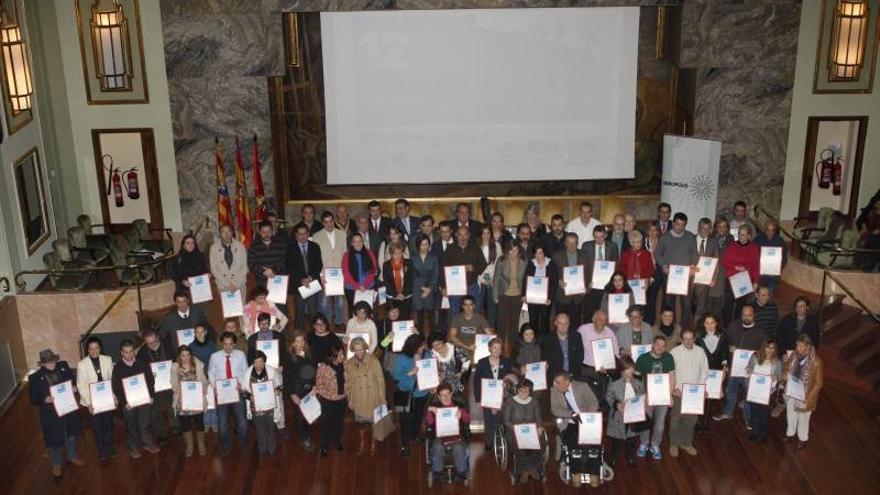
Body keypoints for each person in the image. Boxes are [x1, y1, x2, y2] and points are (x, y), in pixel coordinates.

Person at [31, 349, 86, 477]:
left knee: (71, 433)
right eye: (48, 362)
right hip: (50, 413)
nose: (52, 364)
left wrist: (74, 387)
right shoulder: (35, 378)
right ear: (42, 364)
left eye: (53, 361)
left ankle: (72, 456)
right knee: (54, 438)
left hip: (67, 407)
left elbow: (72, 380)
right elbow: (33, 398)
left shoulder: (63, 367)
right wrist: (45, 399)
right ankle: (56, 463)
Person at [714, 304, 767, 423]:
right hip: (734, 367)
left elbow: (765, 350)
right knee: (730, 390)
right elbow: (724, 343)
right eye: (744, 315)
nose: (746, 317)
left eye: (749, 315)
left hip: (750, 369)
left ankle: (748, 418)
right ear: (741, 315)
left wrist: (756, 354)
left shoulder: (760, 331)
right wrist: (729, 347)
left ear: (754, 316)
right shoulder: (733, 326)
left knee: (749, 393)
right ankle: (728, 412)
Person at [112, 340, 160, 459]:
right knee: (131, 425)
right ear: (121, 353)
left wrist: (151, 396)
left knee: (145, 423)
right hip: (128, 403)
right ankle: (133, 447)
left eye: (131, 352)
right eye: (126, 352)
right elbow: (116, 387)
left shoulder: (142, 364)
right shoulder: (118, 368)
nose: (129, 355)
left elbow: (150, 381)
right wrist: (124, 403)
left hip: (144, 400)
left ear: (134, 351)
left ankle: (148, 443)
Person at [207, 331, 249, 458]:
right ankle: (225, 447)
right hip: (222, 395)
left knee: (242, 423)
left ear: (234, 344)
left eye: (230, 344)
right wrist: (216, 386)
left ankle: (243, 444)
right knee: (222, 424)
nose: (228, 347)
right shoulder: (214, 356)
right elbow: (211, 373)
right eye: (225, 344)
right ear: (221, 344)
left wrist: (241, 385)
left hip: (237, 393)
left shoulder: (241, 355)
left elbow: (245, 372)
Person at [654, 212, 698, 328]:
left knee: (687, 305)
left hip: (686, 277)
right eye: (678, 224)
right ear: (673, 223)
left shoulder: (690, 236)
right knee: (669, 304)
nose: (680, 227)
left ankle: (684, 331)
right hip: (669, 277)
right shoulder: (665, 237)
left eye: (683, 225)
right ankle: (670, 330)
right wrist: (663, 266)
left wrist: (693, 265)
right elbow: (657, 254)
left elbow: (694, 253)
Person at [668, 329, 708, 457]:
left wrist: (700, 387)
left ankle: (686, 443)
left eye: (691, 338)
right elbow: (670, 373)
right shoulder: (674, 353)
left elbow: (705, 370)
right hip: (678, 393)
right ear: (681, 339)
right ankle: (674, 443)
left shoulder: (700, 351)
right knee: (675, 420)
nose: (689, 341)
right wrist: (673, 388)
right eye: (686, 339)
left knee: (690, 421)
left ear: (694, 339)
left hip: (694, 393)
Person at [345, 337, 387, 456]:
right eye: (356, 350)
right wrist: (350, 399)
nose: (359, 352)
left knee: (374, 423)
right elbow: (348, 383)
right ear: (353, 350)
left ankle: (373, 444)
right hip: (358, 398)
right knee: (360, 424)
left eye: (361, 349)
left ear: (365, 348)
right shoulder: (349, 363)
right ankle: (363, 443)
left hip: (372, 396)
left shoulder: (374, 361)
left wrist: (382, 398)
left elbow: (380, 381)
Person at [635, 335, 675, 460]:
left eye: (663, 346)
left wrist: (670, 395)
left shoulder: (669, 358)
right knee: (646, 421)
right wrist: (643, 397)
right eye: (658, 345)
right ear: (653, 344)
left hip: (663, 396)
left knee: (660, 424)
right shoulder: (643, 359)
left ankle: (655, 445)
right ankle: (644, 443)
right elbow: (637, 379)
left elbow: (672, 377)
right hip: (648, 396)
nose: (660, 348)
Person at [473, 338, 517, 450]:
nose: (497, 350)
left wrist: (507, 383)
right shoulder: (482, 362)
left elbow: (513, 377)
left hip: (504, 397)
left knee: (505, 419)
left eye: (499, 348)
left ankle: (505, 443)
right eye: (494, 348)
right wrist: (478, 399)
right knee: (490, 421)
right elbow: (476, 381)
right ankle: (489, 443)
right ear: (489, 349)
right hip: (488, 397)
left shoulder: (506, 362)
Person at [76, 337, 116, 462]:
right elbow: (81, 385)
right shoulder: (82, 364)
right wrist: (89, 403)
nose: (94, 351)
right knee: (97, 426)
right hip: (91, 401)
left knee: (108, 424)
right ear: (87, 350)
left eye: (97, 348)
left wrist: (114, 397)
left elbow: (112, 380)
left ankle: (110, 447)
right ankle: (101, 449)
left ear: (100, 348)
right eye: (91, 348)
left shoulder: (107, 359)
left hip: (106, 398)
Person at [136, 329, 177, 443]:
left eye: (154, 342)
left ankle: (176, 426)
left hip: (169, 382)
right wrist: (149, 373)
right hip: (153, 386)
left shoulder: (168, 347)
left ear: (157, 338)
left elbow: (175, 363)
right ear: (145, 342)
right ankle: (160, 433)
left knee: (172, 404)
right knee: (155, 410)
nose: (153, 345)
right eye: (149, 343)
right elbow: (140, 371)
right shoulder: (142, 353)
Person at [392, 334, 430, 457]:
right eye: (420, 346)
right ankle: (405, 444)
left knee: (418, 417)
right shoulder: (402, 358)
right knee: (405, 420)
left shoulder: (426, 354)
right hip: (406, 393)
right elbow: (396, 375)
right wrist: (410, 373)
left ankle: (415, 435)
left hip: (422, 392)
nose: (423, 347)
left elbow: (432, 369)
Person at [782, 334, 823, 449]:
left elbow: (818, 384)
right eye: (797, 346)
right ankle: (790, 434)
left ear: (808, 346)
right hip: (792, 391)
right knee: (791, 414)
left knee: (803, 419)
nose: (798, 348)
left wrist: (808, 398)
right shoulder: (794, 354)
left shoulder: (817, 362)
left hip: (805, 395)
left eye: (801, 346)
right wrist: (785, 373)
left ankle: (802, 439)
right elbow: (786, 366)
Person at [425, 383, 470, 482]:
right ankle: (438, 473)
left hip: (457, 437)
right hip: (440, 437)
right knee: (437, 447)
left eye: (447, 394)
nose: (445, 397)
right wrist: (429, 409)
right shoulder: (435, 407)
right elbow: (429, 422)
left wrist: (462, 413)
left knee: (458, 447)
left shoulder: (458, 406)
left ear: (451, 393)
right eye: (442, 395)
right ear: (438, 396)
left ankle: (461, 473)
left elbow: (467, 420)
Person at [501, 379, 545, 483]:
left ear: (530, 392)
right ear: (517, 390)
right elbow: (506, 421)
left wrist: (539, 427)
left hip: (531, 430)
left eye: (526, 391)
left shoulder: (534, 401)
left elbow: (538, 418)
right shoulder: (510, 401)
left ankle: (529, 468)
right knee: (517, 445)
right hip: (514, 430)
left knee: (542, 443)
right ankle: (527, 470)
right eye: (521, 391)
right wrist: (517, 429)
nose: (523, 393)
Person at [605, 356, 645, 467]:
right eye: (628, 369)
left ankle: (630, 456)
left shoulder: (638, 382)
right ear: (622, 370)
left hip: (633, 415)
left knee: (632, 438)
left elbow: (642, 395)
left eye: (632, 369)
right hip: (619, 416)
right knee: (617, 440)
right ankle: (615, 456)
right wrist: (616, 405)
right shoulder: (614, 383)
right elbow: (608, 397)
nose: (630, 372)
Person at [170, 345, 208, 457]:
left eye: (187, 355)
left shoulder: (197, 365)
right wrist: (180, 390)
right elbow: (173, 384)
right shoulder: (175, 367)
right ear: (179, 356)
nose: (185, 358)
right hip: (182, 400)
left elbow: (203, 380)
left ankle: (201, 444)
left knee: (199, 423)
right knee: (185, 424)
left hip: (197, 398)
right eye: (183, 355)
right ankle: (190, 445)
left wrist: (202, 389)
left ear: (190, 355)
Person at [314, 211, 349, 330]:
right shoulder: (316, 236)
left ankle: (339, 321)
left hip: (339, 272)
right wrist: (320, 274)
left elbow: (345, 254)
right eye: (326, 222)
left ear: (334, 221)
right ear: (323, 223)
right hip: (325, 273)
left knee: (339, 300)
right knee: (324, 301)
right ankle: (325, 322)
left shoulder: (342, 234)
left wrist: (344, 272)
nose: (329, 224)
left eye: (331, 221)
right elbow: (316, 257)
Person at [442, 225, 487, 317]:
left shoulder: (475, 248)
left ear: (469, 235)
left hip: (472, 285)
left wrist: (473, 268)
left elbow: (483, 265)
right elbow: (443, 268)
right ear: (456, 235)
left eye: (465, 235)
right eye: (460, 235)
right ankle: (457, 331)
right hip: (455, 286)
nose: (463, 237)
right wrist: (444, 286)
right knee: (455, 312)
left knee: (475, 311)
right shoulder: (450, 249)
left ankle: (472, 330)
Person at [244, 351, 282, 456]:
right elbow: (244, 391)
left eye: (260, 361)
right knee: (259, 429)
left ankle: (272, 448)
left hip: (269, 405)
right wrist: (249, 396)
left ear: (264, 361)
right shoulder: (248, 373)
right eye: (256, 362)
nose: (258, 364)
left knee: (270, 427)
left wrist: (277, 390)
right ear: (252, 362)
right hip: (255, 406)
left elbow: (279, 385)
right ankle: (262, 447)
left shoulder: (271, 371)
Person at [284, 331, 317, 452]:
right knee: (301, 416)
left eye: (302, 341)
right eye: (298, 341)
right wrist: (293, 394)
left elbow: (314, 370)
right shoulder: (289, 357)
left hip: (309, 389)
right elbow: (287, 377)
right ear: (292, 344)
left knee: (308, 414)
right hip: (297, 390)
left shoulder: (309, 353)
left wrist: (314, 386)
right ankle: (304, 439)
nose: (301, 344)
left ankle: (305, 434)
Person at [578, 310, 619, 403]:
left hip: (604, 369)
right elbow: (574, 347)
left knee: (601, 397)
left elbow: (616, 353)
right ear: (593, 319)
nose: (603, 322)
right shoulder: (583, 330)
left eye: (605, 320)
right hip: (586, 367)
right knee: (587, 397)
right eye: (600, 319)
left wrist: (609, 366)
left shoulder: (610, 333)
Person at [695, 313, 728, 430]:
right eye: (707, 323)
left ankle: (706, 422)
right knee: (701, 395)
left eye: (712, 323)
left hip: (717, 370)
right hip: (703, 369)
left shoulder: (723, 335)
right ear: (703, 324)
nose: (709, 326)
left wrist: (724, 368)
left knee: (710, 396)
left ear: (716, 323)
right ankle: (699, 420)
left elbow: (724, 352)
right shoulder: (698, 337)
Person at [288, 222, 323, 329]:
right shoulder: (290, 249)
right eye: (300, 234)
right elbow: (289, 267)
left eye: (305, 233)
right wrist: (302, 280)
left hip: (312, 283)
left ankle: (315, 335)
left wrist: (310, 278)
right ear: (296, 235)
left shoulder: (315, 246)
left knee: (313, 312)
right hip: (298, 285)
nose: (302, 236)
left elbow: (318, 264)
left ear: (308, 234)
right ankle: (298, 336)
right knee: (299, 313)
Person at [745, 340, 782, 443]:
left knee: (764, 414)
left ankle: (764, 434)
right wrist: (749, 371)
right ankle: (755, 432)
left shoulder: (777, 362)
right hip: (754, 391)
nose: (770, 350)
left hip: (767, 393)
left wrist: (776, 377)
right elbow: (748, 369)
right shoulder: (755, 357)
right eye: (768, 347)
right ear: (763, 347)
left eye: (772, 348)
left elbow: (779, 377)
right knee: (754, 412)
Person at [315, 341, 347, 456]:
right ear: (332, 356)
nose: (343, 357)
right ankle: (325, 445)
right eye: (340, 355)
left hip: (342, 399)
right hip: (328, 401)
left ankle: (336, 440)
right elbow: (319, 385)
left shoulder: (346, 365)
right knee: (327, 424)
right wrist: (328, 396)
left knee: (339, 422)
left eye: (343, 354)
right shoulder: (323, 368)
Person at [492, 243, 526, 350]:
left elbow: (526, 279)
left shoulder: (524, 261)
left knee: (515, 320)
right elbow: (496, 278)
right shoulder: (501, 261)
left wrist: (525, 294)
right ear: (507, 251)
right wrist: (495, 295)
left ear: (519, 251)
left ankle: (513, 343)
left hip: (518, 294)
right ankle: (500, 342)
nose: (513, 253)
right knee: (502, 319)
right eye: (511, 251)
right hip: (504, 293)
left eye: (515, 250)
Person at [722, 224, 761, 316]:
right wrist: (736, 267)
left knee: (741, 305)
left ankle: (736, 325)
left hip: (745, 280)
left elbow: (756, 265)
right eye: (739, 234)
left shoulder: (754, 248)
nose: (740, 236)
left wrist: (756, 282)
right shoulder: (732, 246)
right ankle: (727, 326)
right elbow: (724, 261)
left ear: (748, 236)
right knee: (728, 303)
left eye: (743, 234)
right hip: (732, 278)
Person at [582, 225, 620, 319]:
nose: (598, 239)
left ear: (606, 235)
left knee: (605, 310)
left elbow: (616, 264)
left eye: (601, 236)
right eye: (596, 236)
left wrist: (613, 282)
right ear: (593, 236)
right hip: (591, 284)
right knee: (589, 311)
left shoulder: (612, 246)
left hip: (607, 284)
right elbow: (583, 266)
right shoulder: (586, 246)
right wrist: (586, 282)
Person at [552, 233, 589, 328]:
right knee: (561, 325)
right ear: (565, 243)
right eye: (569, 243)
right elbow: (552, 275)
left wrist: (586, 289)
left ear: (578, 243)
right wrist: (558, 281)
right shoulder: (557, 256)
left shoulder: (584, 255)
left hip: (578, 297)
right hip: (562, 296)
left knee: (576, 324)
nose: (572, 245)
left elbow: (588, 274)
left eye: (574, 243)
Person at [693, 217, 724, 323]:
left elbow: (716, 261)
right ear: (698, 228)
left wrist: (714, 279)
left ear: (710, 229)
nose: (705, 231)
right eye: (703, 228)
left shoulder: (712, 242)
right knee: (687, 307)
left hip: (704, 281)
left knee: (700, 308)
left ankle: (697, 330)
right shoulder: (690, 239)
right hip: (689, 279)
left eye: (707, 229)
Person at [209, 224, 248, 305]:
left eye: (229, 231)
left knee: (241, 310)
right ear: (220, 234)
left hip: (239, 284)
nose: (226, 234)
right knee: (229, 312)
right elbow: (214, 269)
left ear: (232, 232)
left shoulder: (240, 246)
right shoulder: (214, 248)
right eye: (223, 232)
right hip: (223, 285)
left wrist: (236, 284)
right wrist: (228, 284)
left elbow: (244, 267)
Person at [447, 295, 493, 363]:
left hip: (476, 346)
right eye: (466, 305)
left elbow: (490, 335)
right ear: (462, 306)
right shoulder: (456, 318)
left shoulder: (480, 318)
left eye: (470, 305)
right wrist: (466, 346)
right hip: (461, 345)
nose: (468, 307)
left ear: (474, 306)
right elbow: (452, 336)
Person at [524, 244, 556, 336]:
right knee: (533, 320)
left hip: (546, 299)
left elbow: (554, 282)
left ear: (544, 253)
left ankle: (545, 341)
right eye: (536, 253)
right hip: (532, 297)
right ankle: (534, 341)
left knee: (544, 321)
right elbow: (526, 279)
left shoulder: (550, 263)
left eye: (540, 253)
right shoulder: (531, 263)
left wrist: (550, 297)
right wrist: (524, 295)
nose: (538, 256)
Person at [411, 234, 440, 334]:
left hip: (431, 288)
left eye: (427, 244)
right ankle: (420, 337)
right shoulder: (413, 257)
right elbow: (412, 275)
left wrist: (428, 289)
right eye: (422, 244)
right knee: (419, 315)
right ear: (418, 245)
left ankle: (432, 338)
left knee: (431, 315)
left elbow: (436, 275)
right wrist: (422, 288)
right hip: (417, 288)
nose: (425, 247)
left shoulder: (434, 257)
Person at [542, 312, 585, 379]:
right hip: (556, 377)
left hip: (574, 375)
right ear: (555, 323)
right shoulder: (548, 339)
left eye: (566, 323)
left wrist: (570, 375)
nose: (563, 326)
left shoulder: (576, 336)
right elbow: (549, 360)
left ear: (569, 324)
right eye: (560, 323)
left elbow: (580, 357)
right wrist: (561, 377)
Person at [342, 232, 379, 308]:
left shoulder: (370, 253)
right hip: (352, 288)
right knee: (354, 311)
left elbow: (373, 271)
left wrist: (365, 285)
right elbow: (346, 274)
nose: (358, 244)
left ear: (363, 242)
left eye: (360, 241)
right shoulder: (346, 255)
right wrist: (358, 286)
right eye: (355, 242)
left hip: (368, 286)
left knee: (368, 309)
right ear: (352, 243)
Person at [427, 332, 470, 396]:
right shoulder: (431, 353)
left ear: (443, 341)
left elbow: (466, 361)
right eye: (434, 346)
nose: (437, 347)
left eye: (438, 344)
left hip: (455, 383)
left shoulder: (455, 350)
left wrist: (461, 372)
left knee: (457, 401)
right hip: (440, 384)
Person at [248, 220, 288, 289]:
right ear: (260, 232)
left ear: (272, 231)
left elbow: (284, 259)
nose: (266, 234)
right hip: (261, 281)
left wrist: (273, 270)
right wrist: (264, 271)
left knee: (277, 300)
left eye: (269, 231)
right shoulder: (253, 246)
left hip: (278, 279)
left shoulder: (280, 243)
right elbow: (251, 263)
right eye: (264, 232)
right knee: (263, 300)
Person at [713, 217, 737, 326]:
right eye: (719, 227)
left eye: (724, 227)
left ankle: (722, 324)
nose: (722, 229)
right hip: (714, 271)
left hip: (727, 273)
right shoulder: (711, 238)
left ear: (727, 228)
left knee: (724, 299)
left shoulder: (731, 239)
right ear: (716, 228)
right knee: (713, 298)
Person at [754, 220, 787, 297]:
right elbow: (753, 254)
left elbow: (784, 257)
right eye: (768, 230)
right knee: (759, 293)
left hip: (773, 274)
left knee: (770, 293)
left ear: (775, 230)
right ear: (765, 229)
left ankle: (769, 306)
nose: (770, 232)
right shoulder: (758, 239)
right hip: (760, 272)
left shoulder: (780, 241)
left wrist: (779, 268)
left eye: (772, 230)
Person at [478, 224, 501, 326]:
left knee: (492, 308)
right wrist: (482, 278)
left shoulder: (496, 246)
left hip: (493, 281)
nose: (486, 236)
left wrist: (491, 278)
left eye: (488, 233)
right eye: (483, 233)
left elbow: (499, 264)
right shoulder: (476, 246)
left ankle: (490, 329)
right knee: (478, 307)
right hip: (479, 280)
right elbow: (474, 264)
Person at [382, 244, 414, 318]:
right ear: (391, 254)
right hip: (392, 297)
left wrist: (403, 294)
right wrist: (396, 294)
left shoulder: (408, 263)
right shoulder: (386, 265)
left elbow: (410, 280)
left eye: (399, 253)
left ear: (403, 253)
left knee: (405, 317)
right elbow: (386, 282)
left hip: (406, 297)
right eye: (395, 253)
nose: (397, 255)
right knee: (394, 318)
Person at [644, 223, 664, 325]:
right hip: (646, 271)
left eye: (655, 230)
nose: (652, 232)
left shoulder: (661, 242)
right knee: (647, 296)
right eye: (650, 230)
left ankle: (652, 322)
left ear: (658, 231)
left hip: (658, 271)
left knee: (653, 296)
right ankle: (646, 320)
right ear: (647, 231)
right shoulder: (644, 242)